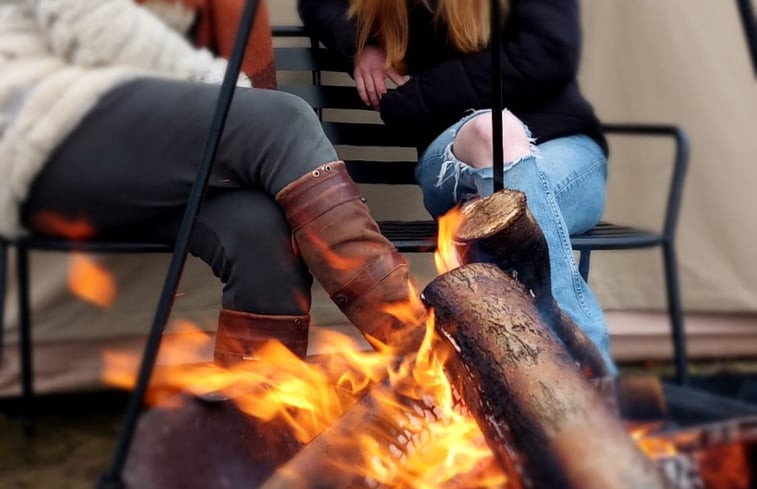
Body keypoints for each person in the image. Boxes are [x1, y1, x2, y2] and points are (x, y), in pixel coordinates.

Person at [0, 0, 427, 366]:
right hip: (44, 146)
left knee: (260, 232)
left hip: (141, 165)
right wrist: (238, 99)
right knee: (284, 121)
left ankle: (260, 432)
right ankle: (418, 346)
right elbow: (107, 32)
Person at [298, 0, 615, 369]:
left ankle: (499, 379)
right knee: (492, 132)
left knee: (502, 206)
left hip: (566, 152)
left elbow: (547, 52)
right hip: (453, 156)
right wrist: (362, 42)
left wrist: (416, 97)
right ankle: (591, 371)